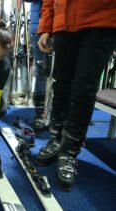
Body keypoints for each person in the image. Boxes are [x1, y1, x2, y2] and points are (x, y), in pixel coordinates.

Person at [36, 0, 116, 191]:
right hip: (63, 21)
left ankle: (70, 149)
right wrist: (46, 25)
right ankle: (57, 138)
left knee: (83, 89)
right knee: (61, 84)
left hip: (101, 20)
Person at [24, 0, 48, 131]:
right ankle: (40, 113)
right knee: (41, 70)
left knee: (63, 73)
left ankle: (58, 114)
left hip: (66, 26)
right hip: (39, 27)